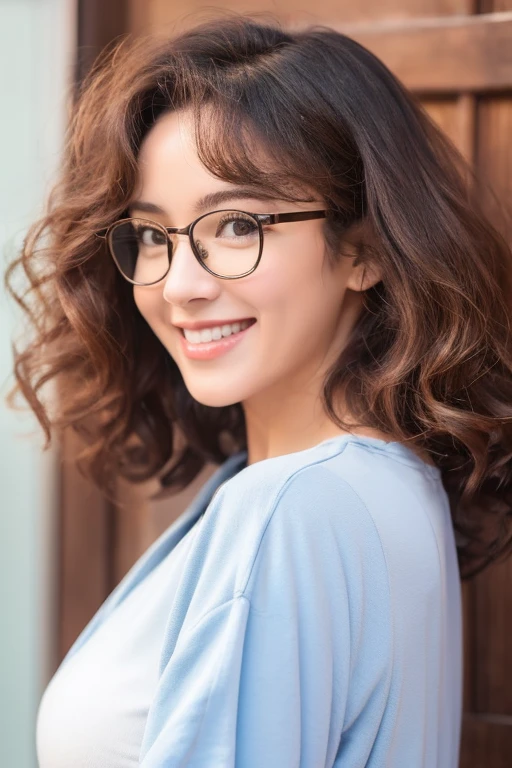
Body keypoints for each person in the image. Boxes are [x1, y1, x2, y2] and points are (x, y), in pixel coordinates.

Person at [5, 13, 512, 768]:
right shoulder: (374, 484)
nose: (180, 285)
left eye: (237, 225)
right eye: (151, 234)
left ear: (364, 251)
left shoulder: (292, 510)